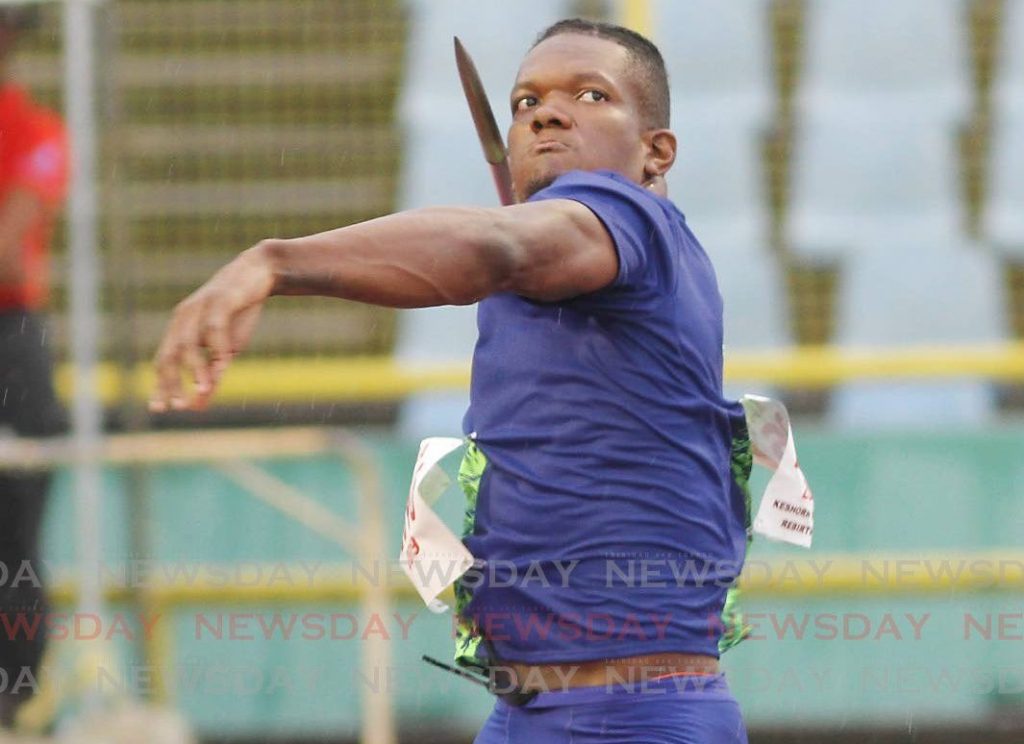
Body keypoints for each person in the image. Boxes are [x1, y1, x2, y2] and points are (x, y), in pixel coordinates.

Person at [152, 19, 751, 743]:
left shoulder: (634, 223)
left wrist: (275, 262)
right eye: (526, 102)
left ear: (657, 152)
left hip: (639, 717)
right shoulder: (550, 261)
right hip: (521, 714)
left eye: (592, 96)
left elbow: (495, 246)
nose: (548, 113)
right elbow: (507, 250)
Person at [0, 5, 70, 728]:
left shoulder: (37, 131)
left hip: (10, 339)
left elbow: (8, 249)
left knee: (16, 531)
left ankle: (14, 692)